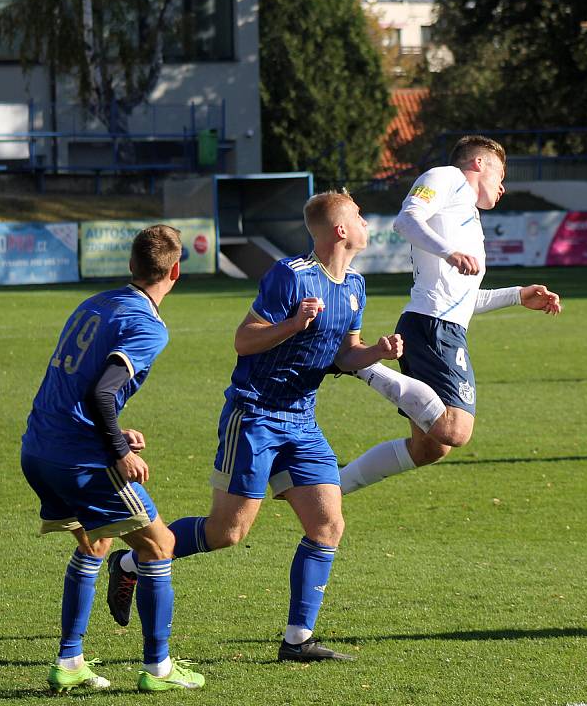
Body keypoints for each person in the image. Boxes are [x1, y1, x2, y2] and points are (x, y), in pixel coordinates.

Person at [106, 192, 403, 662]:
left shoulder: (356, 287)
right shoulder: (290, 276)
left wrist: (377, 352)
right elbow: (244, 341)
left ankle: (297, 641)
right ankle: (128, 561)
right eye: (360, 216)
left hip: (302, 420)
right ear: (341, 229)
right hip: (256, 415)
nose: (367, 222)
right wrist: (294, 323)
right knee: (228, 533)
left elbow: (346, 355)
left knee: (328, 524)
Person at [20, 224, 205, 693]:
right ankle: (159, 669)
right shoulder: (146, 325)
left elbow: (75, 386)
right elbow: (102, 392)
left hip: (39, 447)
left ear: (130, 265)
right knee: (158, 546)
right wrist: (118, 450)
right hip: (79, 459)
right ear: (176, 270)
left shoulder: (95, 303)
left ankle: (70, 662)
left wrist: (114, 432)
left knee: (95, 543)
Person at [338, 135, 562, 495]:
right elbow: (406, 220)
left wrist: (518, 296)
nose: (502, 188)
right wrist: (449, 252)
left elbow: (462, 298)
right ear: (479, 164)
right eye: (500, 176)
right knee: (456, 430)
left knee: (430, 447)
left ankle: (331, 486)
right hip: (432, 326)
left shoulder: (466, 215)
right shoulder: (444, 177)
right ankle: (360, 364)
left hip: (440, 325)